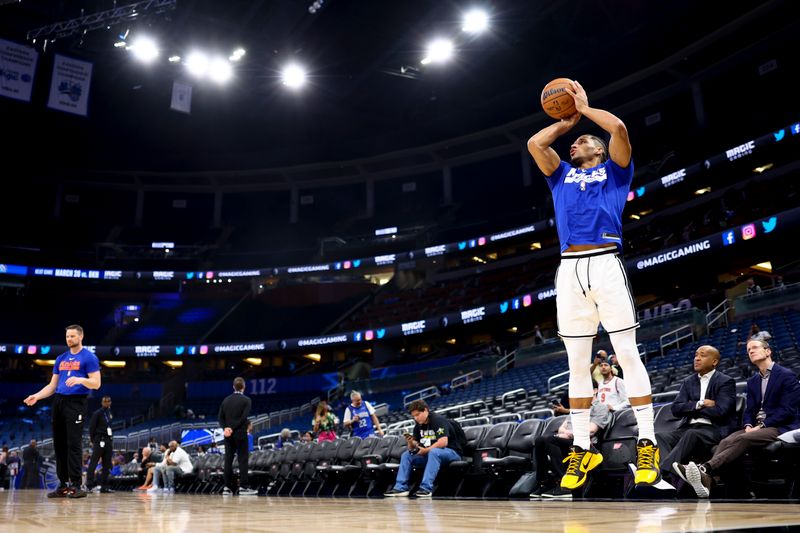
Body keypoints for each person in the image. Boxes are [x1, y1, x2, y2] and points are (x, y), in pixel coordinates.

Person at [528, 80, 659, 489]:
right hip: (568, 269)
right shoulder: (560, 175)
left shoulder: (616, 170)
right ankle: (582, 449)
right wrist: (565, 122)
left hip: (605, 262)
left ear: (598, 151)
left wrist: (585, 109)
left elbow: (619, 128)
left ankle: (648, 443)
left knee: (627, 353)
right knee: (575, 364)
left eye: (583, 141)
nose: (573, 146)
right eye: (573, 142)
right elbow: (536, 144)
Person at [675, 339, 800, 498]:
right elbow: (750, 410)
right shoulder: (753, 381)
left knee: (743, 438)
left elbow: (787, 410)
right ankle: (709, 481)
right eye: (748, 350)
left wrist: (761, 426)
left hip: (780, 426)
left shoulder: (786, 376)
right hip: (756, 427)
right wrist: (748, 423)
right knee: (726, 441)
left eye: (755, 348)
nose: (751, 351)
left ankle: (705, 470)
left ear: (768, 351)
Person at [24, 325, 100, 498]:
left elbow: (96, 383)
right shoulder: (61, 358)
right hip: (59, 401)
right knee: (59, 444)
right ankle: (63, 484)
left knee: (74, 444)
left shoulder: (89, 358)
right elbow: (52, 385)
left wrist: (80, 379)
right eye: (67, 336)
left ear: (81, 336)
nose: (69, 339)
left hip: (76, 403)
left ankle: (76, 485)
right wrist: (36, 396)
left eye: (72, 336)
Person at [659, 346, 736, 480]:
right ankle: (672, 472)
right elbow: (676, 409)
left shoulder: (725, 381)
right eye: (696, 355)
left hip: (713, 430)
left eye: (703, 355)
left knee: (691, 434)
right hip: (688, 427)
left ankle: (662, 474)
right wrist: (700, 404)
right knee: (660, 436)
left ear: (714, 362)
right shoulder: (688, 381)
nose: (697, 358)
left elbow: (721, 411)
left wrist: (690, 410)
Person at [532, 381, 612, 499]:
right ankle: (545, 482)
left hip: (584, 444)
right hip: (567, 440)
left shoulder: (600, 408)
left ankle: (566, 485)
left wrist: (569, 434)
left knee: (549, 440)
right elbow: (561, 428)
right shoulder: (577, 408)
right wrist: (565, 433)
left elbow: (591, 430)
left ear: (595, 390)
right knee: (540, 440)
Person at [384, 400, 463, 498]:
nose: (416, 418)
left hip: (452, 452)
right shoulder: (418, 425)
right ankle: (401, 488)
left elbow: (443, 442)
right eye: (414, 416)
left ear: (425, 410)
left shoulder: (438, 420)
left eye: (418, 415)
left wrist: (426, 450)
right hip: (432, 454)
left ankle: (426, 489)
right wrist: (410, 441)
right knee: (407, 455)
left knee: (434, 452)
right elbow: (413, 447)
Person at [218, 377, 256, 496]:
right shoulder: (247, 400)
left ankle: (227, 487)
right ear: (244, 387)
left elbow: (220, 418)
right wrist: (233, 428)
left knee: (228, 460)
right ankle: (244, 487)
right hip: (240, 434)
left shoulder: (226, 400)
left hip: (228, 435)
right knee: (242, 460)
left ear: (233, 387)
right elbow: (243, 418)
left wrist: (226, 428)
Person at [86, 396, 114, 493]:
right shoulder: (97, 413)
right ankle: (89, 486)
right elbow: (91, 427)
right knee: (93, 462)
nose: (106, 403)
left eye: (108, 401)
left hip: (108, 441)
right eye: (105, 401)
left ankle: (104, 486)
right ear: (102, 402)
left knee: (107, 464)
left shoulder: (109, 413)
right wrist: (93, 440)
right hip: (99, 440)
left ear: (110, 402)